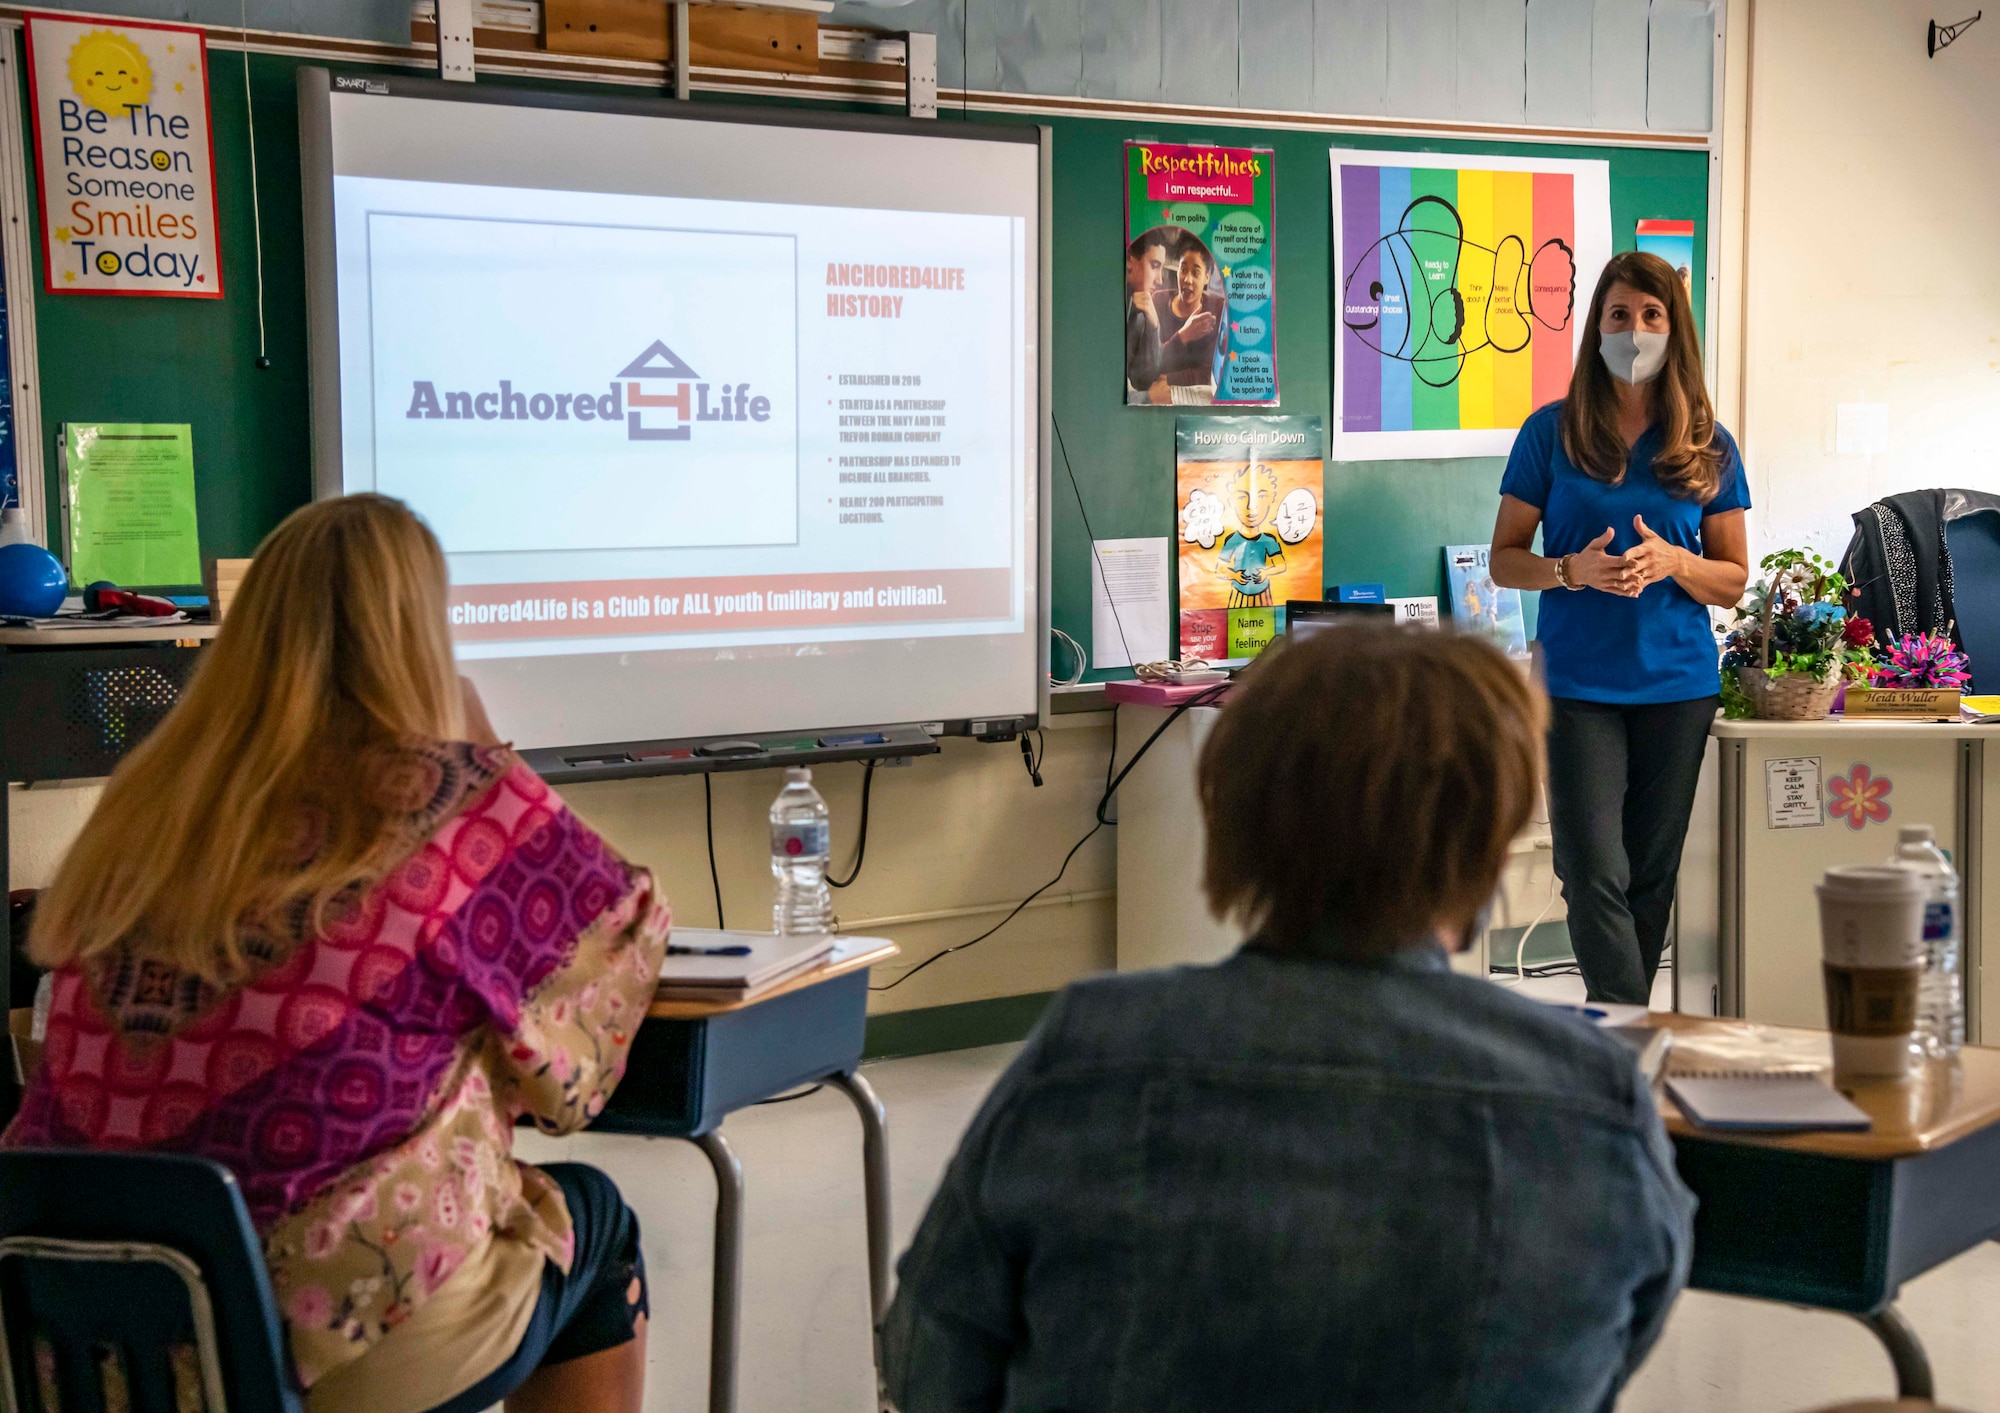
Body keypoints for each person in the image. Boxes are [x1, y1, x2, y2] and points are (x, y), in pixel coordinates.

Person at [882, 624, 1694, 1413]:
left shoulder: (1084, 1054)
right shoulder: (1593, 1101)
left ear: (1231, 814)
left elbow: (930, 1360)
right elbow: (1603, 1356)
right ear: (1492, 831)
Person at [2, 494, 672, 1413]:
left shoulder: (155, 810)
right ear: (417, 636)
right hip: (310, 1341)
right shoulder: (451, 798)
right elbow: (601, 987)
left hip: (93, 1341)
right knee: (592, 1222)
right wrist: (494, 763)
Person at [1489, 250, 1750, 1005]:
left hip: (1677, 687)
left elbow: (1733, 578)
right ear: (1595, 325)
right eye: (1618, 315)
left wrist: (1675, 561)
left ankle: (1620, 1043)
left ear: (1674, 330)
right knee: (1590, 868)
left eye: (1650, 316)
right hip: (1574, 686)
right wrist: (1570, 570)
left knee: (1649, 875)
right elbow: (1506, 560)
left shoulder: (1709, 442)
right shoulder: (1551, 432)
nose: (1633, 330)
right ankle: (1636, 1044)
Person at [1149, 239, 1225, 398]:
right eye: (1183, 269)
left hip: (1192, 396)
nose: (1187, 279)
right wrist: (1183, 336)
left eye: (1196, 272)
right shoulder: (1157, 301)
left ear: (1206, 277)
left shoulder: (1216, 309)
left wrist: (1170, 378)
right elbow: (1150, 362)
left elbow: (1209, 372)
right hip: (1158, 392)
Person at [1124, 232, 1168, 398]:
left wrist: (1154, 326)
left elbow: (1144, 378)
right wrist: (1148, 398)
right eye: (1155, 265)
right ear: (1130, 261)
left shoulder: (1141, 307)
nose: (1160, 280)